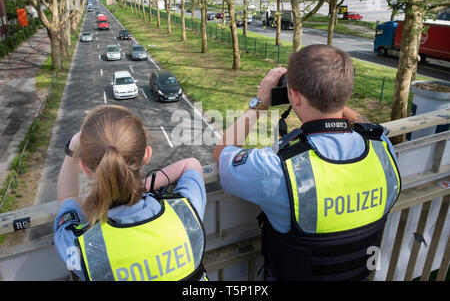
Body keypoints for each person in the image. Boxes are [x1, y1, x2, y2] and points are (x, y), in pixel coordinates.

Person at [213, 44, 401, 281]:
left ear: (293, 95)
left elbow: (222, 152)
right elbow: (369, 126)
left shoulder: (278, 168)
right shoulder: (382, 149)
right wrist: (334, 93)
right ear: (346, 92)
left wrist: (259, 103)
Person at [54, 105, 208, 281]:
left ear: (85, 168)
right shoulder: (185, 213)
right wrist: (138, 186)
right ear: (146, 155)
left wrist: (72, 148)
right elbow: (191, 164)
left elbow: (68, 198)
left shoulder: (83, 248)